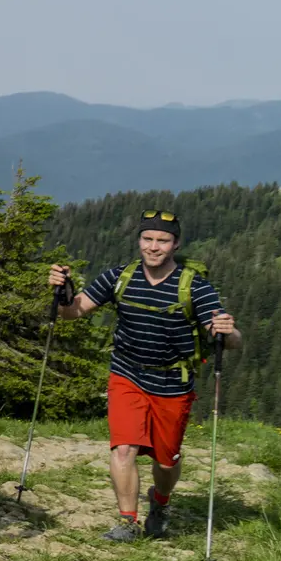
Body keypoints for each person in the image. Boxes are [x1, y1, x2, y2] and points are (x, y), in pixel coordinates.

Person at [49, 209, 239, 541]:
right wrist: (63, 290)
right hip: (126, 374)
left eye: (162, 240)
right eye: (147, 238)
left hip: (172, 383)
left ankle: (161, 501)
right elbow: (73, 312)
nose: (153, 247)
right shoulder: (119, 277)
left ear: (175, 244)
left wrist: (229, 331)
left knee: (166, 462)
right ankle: (128, 522)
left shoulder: (195, 287)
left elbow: (231, 339)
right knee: (124, 449)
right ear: (139, 240)